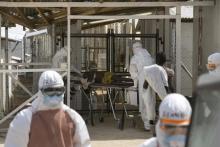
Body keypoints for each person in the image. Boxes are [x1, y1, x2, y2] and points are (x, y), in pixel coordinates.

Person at [5, 70, 91, 147]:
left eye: (58, 91)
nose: (55, 95)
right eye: (50, 91)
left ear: (63, 91)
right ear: (40, 92)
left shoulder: (74, 118)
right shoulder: (25, 119)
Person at [129, 41, 154, 130]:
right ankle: (151, 120)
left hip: (143, 81)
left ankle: (147, 124)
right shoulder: (149, 56)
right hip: (152, 81)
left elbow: (133, 72)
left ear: (134, 49)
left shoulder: (135, 58)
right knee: (150, 100)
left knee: (144, 102)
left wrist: (136, 81)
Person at [142, 52, 169, 130]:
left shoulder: (149, 69)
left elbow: (145, 85)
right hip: (161, 92)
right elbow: (165, 86)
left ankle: (150, 121)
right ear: (165, 61)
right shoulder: (163, 71)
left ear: (156, 60)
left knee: (149, 103)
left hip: (149, 89)